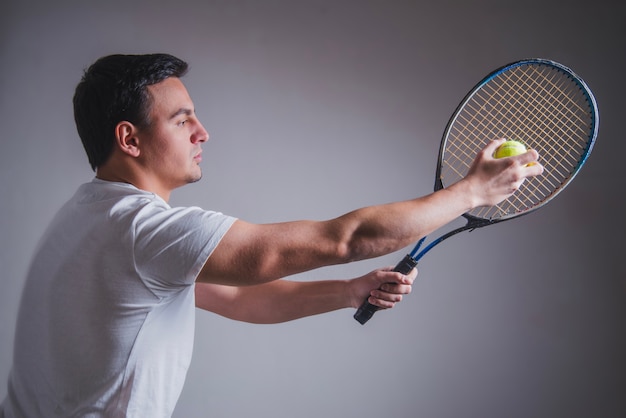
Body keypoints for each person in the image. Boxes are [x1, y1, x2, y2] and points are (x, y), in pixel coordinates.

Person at [0, 53, 543, 417]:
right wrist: (471, 194)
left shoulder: (86, 214)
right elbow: (344, 239)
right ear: (130, 139)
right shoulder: (147, 230)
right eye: (182, 119)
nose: (203, 132)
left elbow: (235, 297)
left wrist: (350, 292)